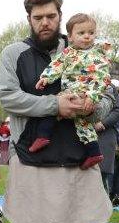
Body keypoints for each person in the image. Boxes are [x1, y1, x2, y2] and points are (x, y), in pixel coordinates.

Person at [0, 0, 113, 223]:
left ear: (60, 16)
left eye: (51, 16)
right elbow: (9, 97)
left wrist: (92, 107)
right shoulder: (13, 54)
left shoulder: (83, 47)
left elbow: (107, 100)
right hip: (30, 153)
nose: (45, 22)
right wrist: (54, 106)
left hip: (78, 155)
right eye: (38, 17)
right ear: (29, 19)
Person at [31, 13, 114, 170]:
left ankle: (43, 136)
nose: (87, 37)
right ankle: (94, 152)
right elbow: (57, 65)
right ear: (70, 36)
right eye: (81, 33)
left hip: (85, 94)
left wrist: (92, 97)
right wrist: (45, 78)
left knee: (56, 107)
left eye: (91, 33)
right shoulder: (69, 53)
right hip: (71, 93)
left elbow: (103, 77)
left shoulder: (98, 54)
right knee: (81, 123)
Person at [95, 82, 119, 195]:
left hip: (104, 136)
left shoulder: (108, 86)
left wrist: (103, 123)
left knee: (101, 175)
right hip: (81, 136)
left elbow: (118, 111)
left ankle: (103, 207)